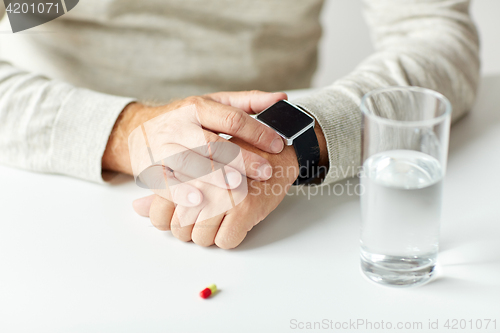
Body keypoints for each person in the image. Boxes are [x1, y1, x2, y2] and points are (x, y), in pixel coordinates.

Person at [0, 0, 479, 248]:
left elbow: (436, 36)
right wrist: (127, 133)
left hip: (285, 195)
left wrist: (291, 139)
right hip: (52, 177)